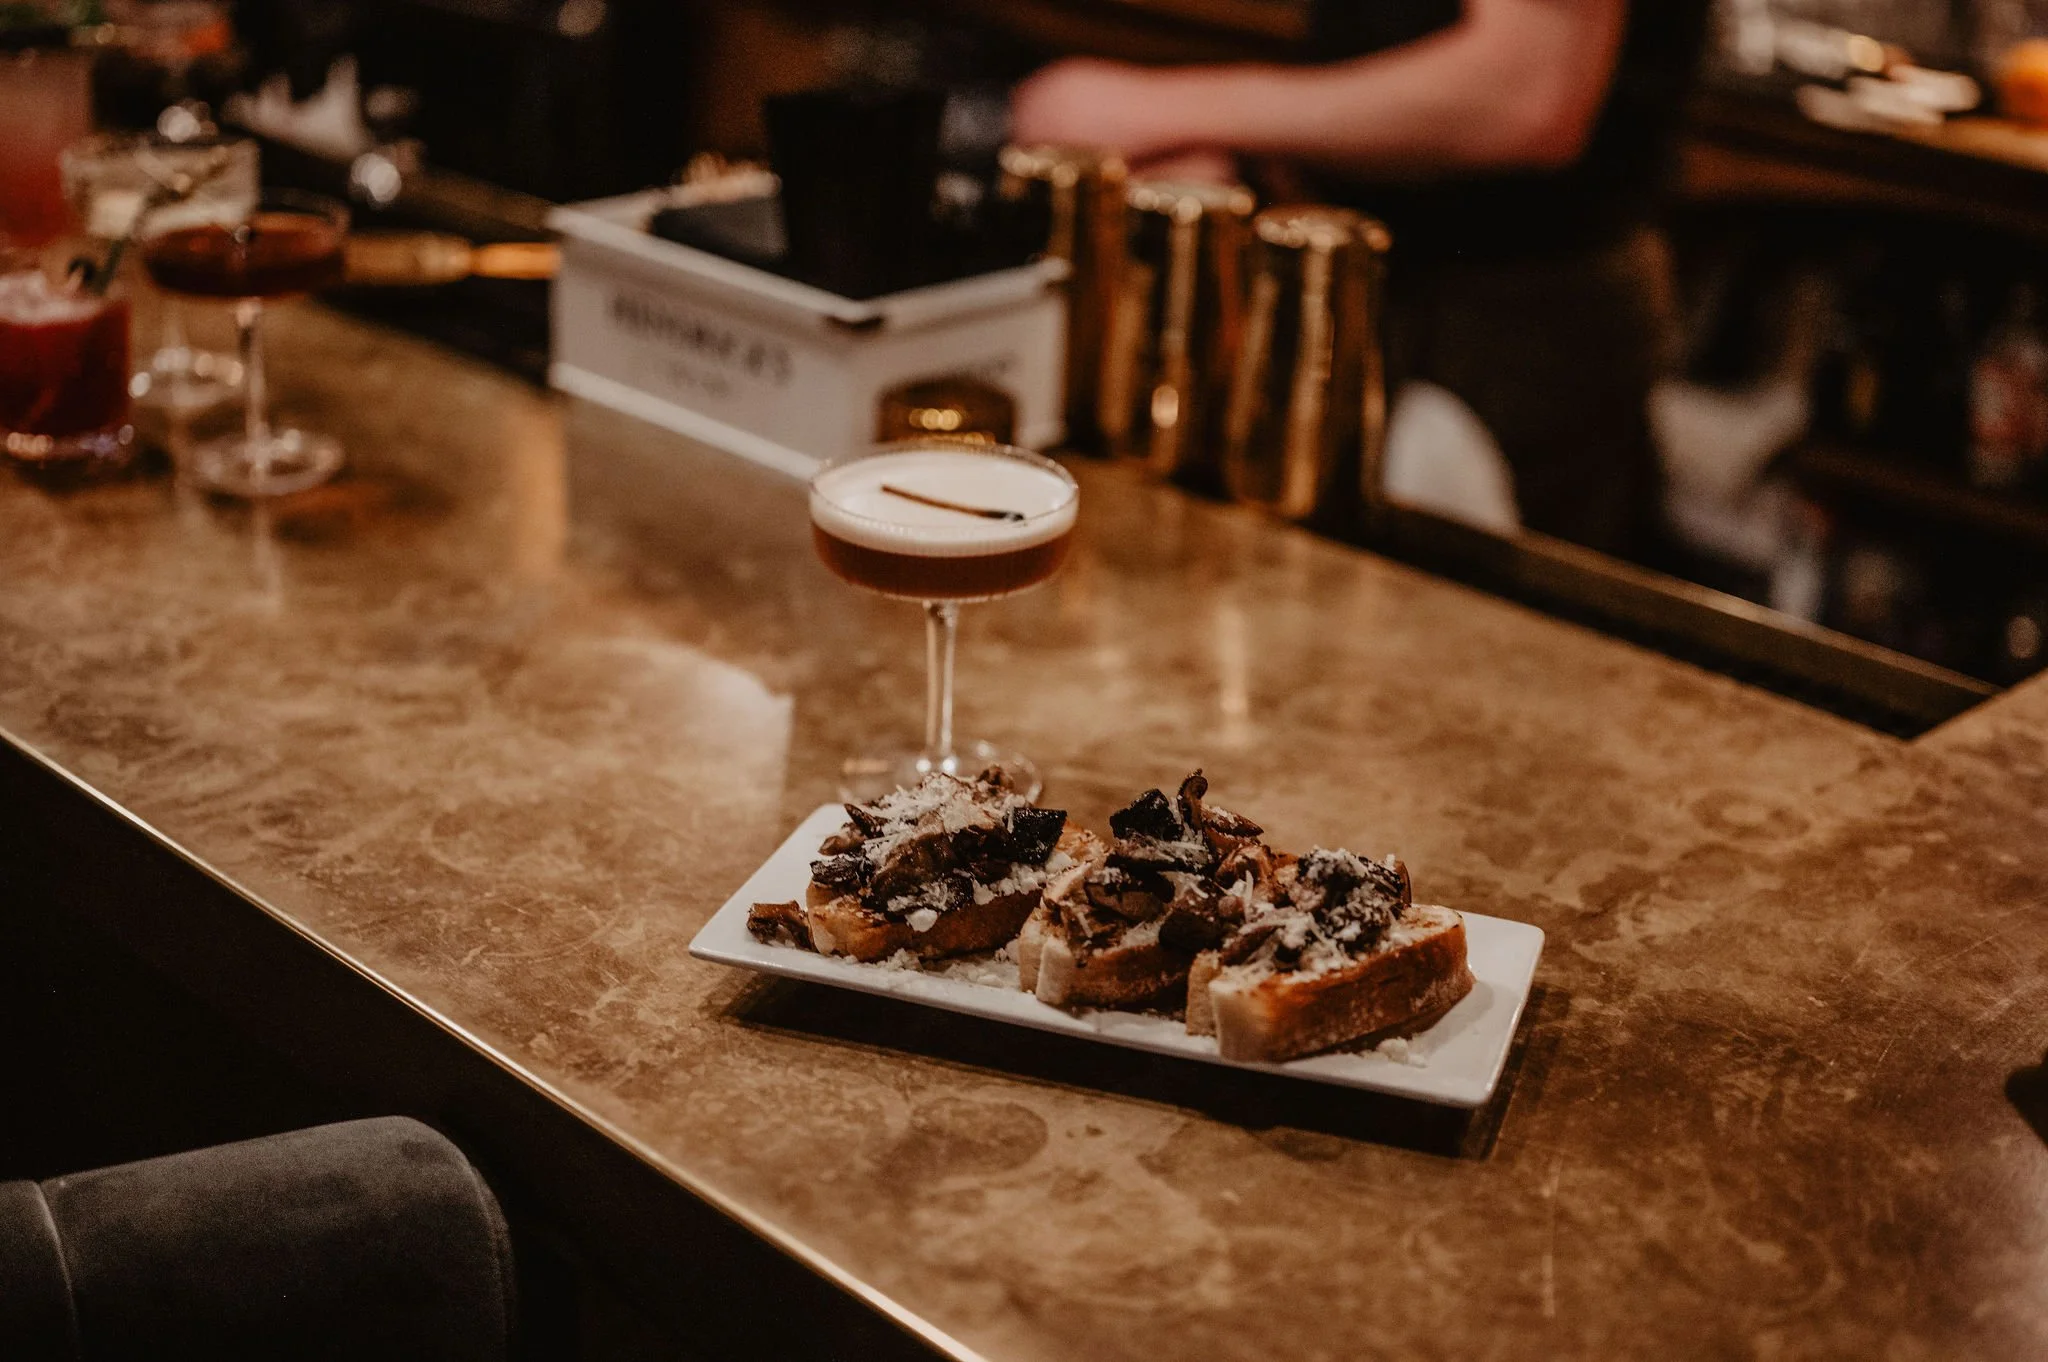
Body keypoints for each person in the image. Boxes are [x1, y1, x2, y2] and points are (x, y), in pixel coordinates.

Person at [1010, 0, 1713, 557]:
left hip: (1507, 313)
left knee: (1464, 674)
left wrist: (1163, 107)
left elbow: (1531, 93)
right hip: (1393, 279)